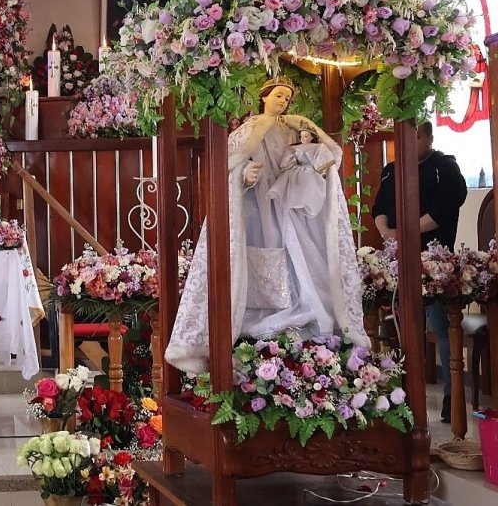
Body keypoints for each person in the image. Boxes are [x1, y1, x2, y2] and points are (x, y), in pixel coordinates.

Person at [165, 75, 368, 373]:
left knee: (301, 261)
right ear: (264, 97)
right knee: (260, 261)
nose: (282, 101)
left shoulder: (294, 128)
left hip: (289, 204)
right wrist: (245, 172)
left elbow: (313, 155)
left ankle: (301, 327)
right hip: (257, 204)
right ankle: (255, 330)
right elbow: (228, 166)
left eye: (286, 97)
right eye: (277, 95)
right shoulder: (250, 129)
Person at [372, 120, 467, 422]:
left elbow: (444, 210)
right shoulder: (392, 169)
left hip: (434, 263)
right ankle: (403, 398)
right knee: (404, 331)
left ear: (428, 137)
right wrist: (387, 231)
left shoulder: (445, 168)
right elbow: (379, 208)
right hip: (398, 262)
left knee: (441, 328)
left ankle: (453, 400)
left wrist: (407, 232)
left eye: (415, 139)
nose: (408, 146)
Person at [267, 128, 339, 218]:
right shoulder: (295, 148)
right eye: (301, 137)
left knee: (310, 187)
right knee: (293, 184)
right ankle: (295, 200)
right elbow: (288, 159)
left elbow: (324, 160)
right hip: (297, 170)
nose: (303, 139)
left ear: (312, 137)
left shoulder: (319, 147)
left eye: (306, 136)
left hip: (311, 171)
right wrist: (291, 163)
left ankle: (307, 202)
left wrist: (319, 169)